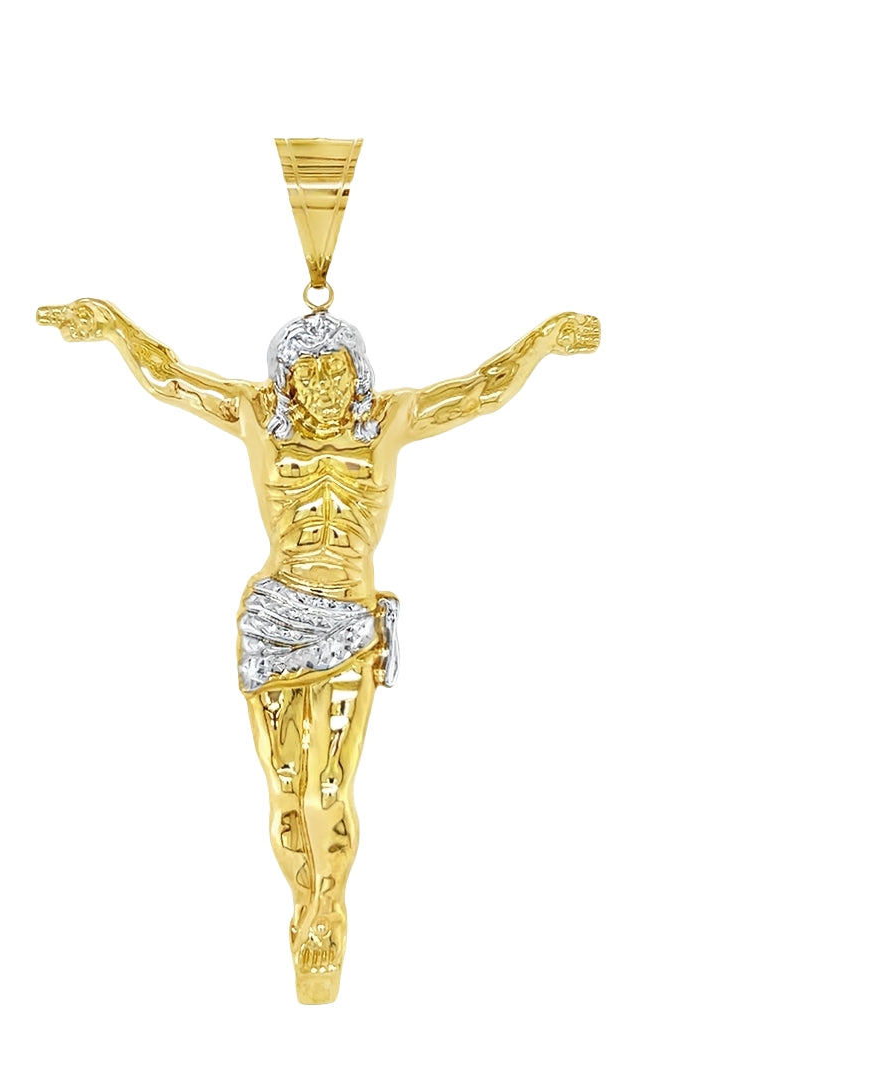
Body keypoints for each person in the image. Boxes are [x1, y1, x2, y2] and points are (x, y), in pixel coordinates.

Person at [36, 298, 600, 1002]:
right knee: (283, 789)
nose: (327, 387)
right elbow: (171, 378)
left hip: (349, 622)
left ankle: (328, 913)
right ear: (287, 382)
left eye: (338, 371)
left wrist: (542, 341)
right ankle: (301, 903)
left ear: (359, 374)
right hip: (274, 617)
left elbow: (481, 390)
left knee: (326, 787)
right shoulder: (256, 416)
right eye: (310, 374)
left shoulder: (390, 422)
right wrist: (115, 329)